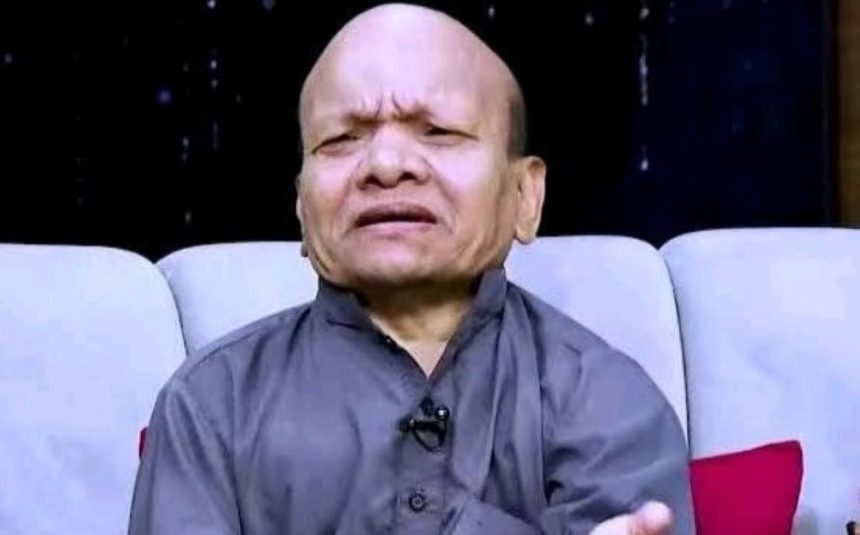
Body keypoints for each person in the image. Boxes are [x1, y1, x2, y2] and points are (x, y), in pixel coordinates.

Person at [128, 4, 694, 534]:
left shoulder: (606, 401)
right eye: (341, 139)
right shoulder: (212, 404)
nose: (385, 165)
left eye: (438, 132)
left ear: (525, 195)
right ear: (302, 207)